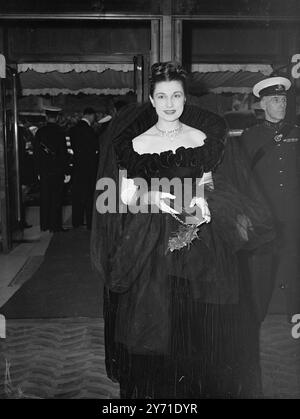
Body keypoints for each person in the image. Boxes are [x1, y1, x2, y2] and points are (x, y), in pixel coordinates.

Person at [91, 62, 274, 399]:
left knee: (201, 334)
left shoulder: (202, 137)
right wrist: (151, 198)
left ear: (185, 97)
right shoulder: (136, 142)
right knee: (157, 333)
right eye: (162, 96)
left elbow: (208, 183)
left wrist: (206, 202)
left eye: (176, 95)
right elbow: (124, 195)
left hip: (202, 248)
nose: (170, 103)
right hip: (151, 250)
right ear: (151, 98)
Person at [240, 76, 300, 319]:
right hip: (264, 212)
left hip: (294, 210)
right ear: (262, 105)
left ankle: (295, 313)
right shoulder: (249, 137)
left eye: (283, 99)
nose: (281, 104)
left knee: (294, 263)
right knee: (261, 267)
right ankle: (257, 315)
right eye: (275, 100)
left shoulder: (296, 132)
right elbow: (243, 178)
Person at [33, 106, 69, 232]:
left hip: (44, 170)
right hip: (57, 170)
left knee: (45, 197)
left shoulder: (40, 132)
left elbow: (36, 153)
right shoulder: (60, 132)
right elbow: (64, 153)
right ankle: (55, 225)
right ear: (57, 117)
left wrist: (37, 170)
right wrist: (66, 171)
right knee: (56, 199)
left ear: (46, 117)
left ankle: (45, 225)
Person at [69, 107, 99, 230]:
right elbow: (95, 150)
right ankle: (90, 223)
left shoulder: (73, 130)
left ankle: (76, 221)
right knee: (89, 196)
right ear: (91, 116)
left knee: (77, 195)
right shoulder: (90, 131)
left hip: (77, 167)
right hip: (90, 168)